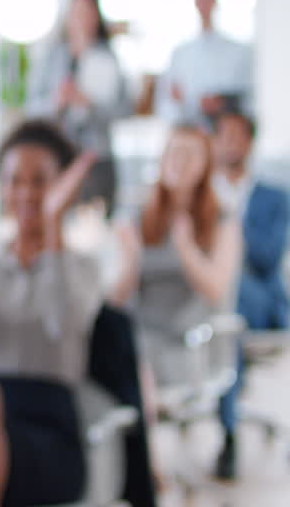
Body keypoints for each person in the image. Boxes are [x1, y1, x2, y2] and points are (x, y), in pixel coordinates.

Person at [0, 120, 103, 507]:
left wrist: (52, 228)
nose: (26, 192)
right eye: (14, 180)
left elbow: (64, 324)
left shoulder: (81, 267)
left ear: (62, 187)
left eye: (40, 180)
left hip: (47, 430)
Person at [109, 124, 241, 470]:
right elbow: (118, 298)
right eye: (173, 152)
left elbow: (216, 288)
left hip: (187, 340)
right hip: (140, 334)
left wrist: (185, 249)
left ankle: (145, 470)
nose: (178, 162)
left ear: (205, 165)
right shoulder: (138, 214)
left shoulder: (222, 219)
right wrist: (132, 261)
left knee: (138, 364)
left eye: (189, 154)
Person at [210, 111, 288, 480]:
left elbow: (268, 259)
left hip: (260, 302)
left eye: (238, 137)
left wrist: (231, 220)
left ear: (250, 143)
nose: (230, 144)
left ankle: (228, 432)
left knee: (232, 302)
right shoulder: (203, 195)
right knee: (221, 307)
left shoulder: (274, 196)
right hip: (208, 302)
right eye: (223, 136)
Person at [27, 0, 132, 216]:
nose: (82, 18)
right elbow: (31, 108)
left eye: (88, 11)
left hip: (96, 159)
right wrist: (56, 102)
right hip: (57, 157)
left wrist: (89, 105)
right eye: (78, 11)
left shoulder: (109, 60)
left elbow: (125, 110)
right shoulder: (51, 58)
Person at [155, 0, 254, 126]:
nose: (203, 3)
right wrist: (187, 104)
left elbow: (248, 100)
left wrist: (221, 103)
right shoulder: (180, 54)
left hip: (224, 134)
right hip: (192, 132)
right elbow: (166, 105)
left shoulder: (238, 51)